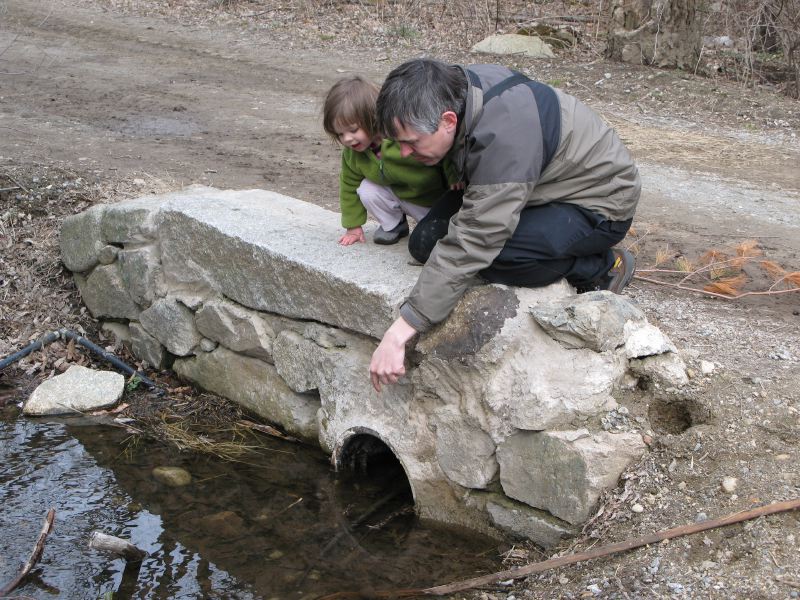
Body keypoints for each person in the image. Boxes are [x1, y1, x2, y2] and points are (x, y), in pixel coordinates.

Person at [369, 58, 641, 392]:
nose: (405, 153)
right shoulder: (458, 89)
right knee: (425, 241)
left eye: (411, 142)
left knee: (502, 259)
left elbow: (476, 240)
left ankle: (601, 267)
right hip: (529, 187)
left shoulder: (507, 133)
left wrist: (401, 330)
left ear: (447, 120)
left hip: (596, 204)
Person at [322, 75, 458, 246]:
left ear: (372, 118)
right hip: (400, 196)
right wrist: (352, 226)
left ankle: (433, 223)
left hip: (430, 200)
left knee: (434, 236)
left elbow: (442, 153)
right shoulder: (352, 155)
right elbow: (348, 186)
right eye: (340, 134)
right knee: (366, 190)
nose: (347, 139)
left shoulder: (402, 138)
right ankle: (394, 225)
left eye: (353, 130)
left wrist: (455, 175)